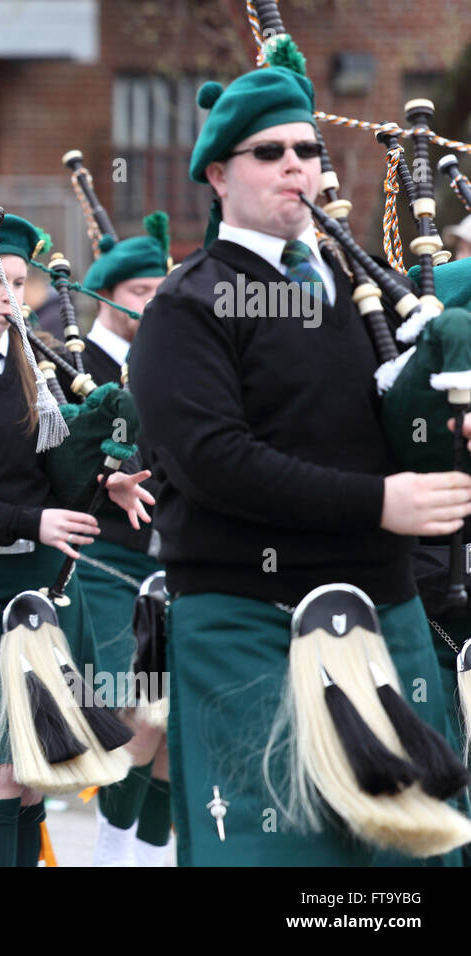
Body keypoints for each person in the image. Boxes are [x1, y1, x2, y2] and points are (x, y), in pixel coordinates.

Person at [130, 60, 471, 865]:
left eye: (308, 150)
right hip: (249, 617)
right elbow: (215, 461)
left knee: (405, 871)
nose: (296, 165)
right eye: (268, 151)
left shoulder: (370, 294)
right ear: (217, 174)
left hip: (385, 608)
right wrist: (378, 503)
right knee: (276, 854)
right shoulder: (190, 303)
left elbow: (407, 439)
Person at [0, 212, 152, 866]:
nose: (13, 299)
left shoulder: (33, 374)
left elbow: (50, 476)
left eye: (21, 284)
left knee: (27, 776)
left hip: (32, 587)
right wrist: (33, 523)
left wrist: (105, 483)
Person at [74, 215, 174, 866]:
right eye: (141, 292)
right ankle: (110, 855)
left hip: (163, 563)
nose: (154, 303)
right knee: (134, 719)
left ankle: (149, 853)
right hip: (104, 562)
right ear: (109, 294)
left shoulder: (164, 364)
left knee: (169, 727)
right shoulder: (73, 361)